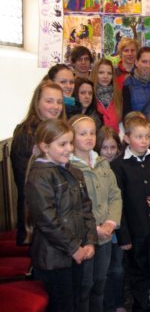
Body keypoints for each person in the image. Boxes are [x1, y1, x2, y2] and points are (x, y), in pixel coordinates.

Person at [25, 119, 97, 312]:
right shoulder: (39, 176)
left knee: (77, 301)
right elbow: (47, 221)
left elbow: (86, 209)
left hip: (77, 253)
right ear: (45, 147)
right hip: (54, 259)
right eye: (62, 144)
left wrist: (89, 241)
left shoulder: (73, 172)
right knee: (62, 305)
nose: (69, 149)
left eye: (70, 143)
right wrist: (73, 248)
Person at [110, 116, 150, 312]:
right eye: (139, 136)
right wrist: (123, 236)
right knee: (138, 270)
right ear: (127, 138)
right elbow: (117, 202)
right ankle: (140, 305)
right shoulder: (118, 165)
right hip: (135, 230)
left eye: (147, 136)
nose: (144, 141)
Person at [69, 115, 122, 312]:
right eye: (82, 133)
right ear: (72, 137)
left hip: (106, 235)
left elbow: (115, 195)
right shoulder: (70, 166)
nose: (89, 137)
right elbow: (74, 207)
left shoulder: (102, 163)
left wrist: (110, 223)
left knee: (100, 282)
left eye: (92, 133)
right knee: (84, 286)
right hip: (85, 238)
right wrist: (94, 228)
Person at [11, 81, 65, 245]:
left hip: (58, 212)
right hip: (38, 217)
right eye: (49, 101)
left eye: (59, 102)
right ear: (37, 103)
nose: (55, 106)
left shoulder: (56, 130)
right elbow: (27, 184)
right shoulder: (26, 134)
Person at [95, 127, 126, 312]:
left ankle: (118, 302)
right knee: (103, 271)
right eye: (104, 147)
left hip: (118, 226)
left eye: (113, 147)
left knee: (118, 268)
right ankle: (106, 304)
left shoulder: (120, 167)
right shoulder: (96, 168)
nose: (109, 152)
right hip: (100, 227)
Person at [91, 58, 122, 133]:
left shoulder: (118, 95)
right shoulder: (89, 95)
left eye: (109, 73)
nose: (105, 76)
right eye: (101, 72)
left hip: (114, 141)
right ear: (95, 74)